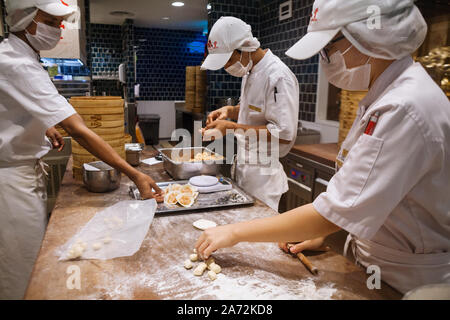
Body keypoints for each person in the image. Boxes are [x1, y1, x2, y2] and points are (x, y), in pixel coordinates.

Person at [196, 0, 450, 294]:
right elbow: (371, 202)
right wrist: (334, 235)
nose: (325, 58)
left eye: (328, 47)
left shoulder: (404, 107)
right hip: (378, 264)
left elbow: (334, 209)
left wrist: (234, 232)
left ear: (368, 36)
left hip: (407, 281)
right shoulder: (388, 95)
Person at [0, 0, 163, 300]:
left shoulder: (21, 56)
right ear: (26, 19)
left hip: (20, 175)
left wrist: (43, 126)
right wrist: (134, 174)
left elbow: (11, 110)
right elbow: (79, 130)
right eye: (51, 21)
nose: (58, 29)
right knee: (22, 271)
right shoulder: (16, 62)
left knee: (27, 259)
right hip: (10, 186)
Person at [201, 16, 299, 212]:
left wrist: (231, 127)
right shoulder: (250, 71)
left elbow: (284, 133)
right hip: (245, 167)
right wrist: (229, 111)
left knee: (259, 237)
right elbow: (253, 112)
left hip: (264, 177)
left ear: (245, 47)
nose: (227, 67)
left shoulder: (278, 76)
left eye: (228, 60)